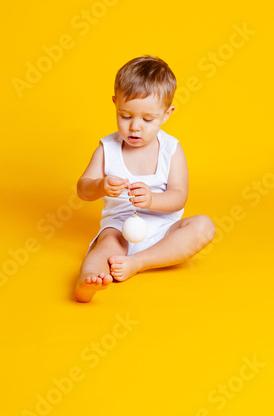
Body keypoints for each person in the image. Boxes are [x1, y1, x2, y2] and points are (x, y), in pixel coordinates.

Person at [74, 55, 215, 302]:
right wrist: (100, 186)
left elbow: (178, 197)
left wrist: (151, 200)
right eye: (126, 116)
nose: (135, 127)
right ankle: (88, 281)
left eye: (147, 120)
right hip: (119, 228)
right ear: (115, 103)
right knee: (105, 246)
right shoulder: (107, 148)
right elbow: (83, 189)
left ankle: (138, 262)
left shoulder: (171, 149)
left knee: (204, 226)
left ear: (166, 114)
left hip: (164, 230)